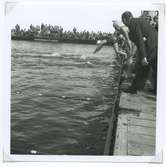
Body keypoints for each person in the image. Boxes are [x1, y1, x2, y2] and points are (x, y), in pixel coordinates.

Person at [121, 11, 158, 94]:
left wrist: (144, 56)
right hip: (157, 43)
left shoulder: (132, 24)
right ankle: (157, 89)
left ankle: (133, 89)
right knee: (156, 68)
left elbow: (140, 40)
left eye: (123, 20)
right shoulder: (139, 20)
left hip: (151, 45)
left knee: (143, 67)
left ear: (124, 19)